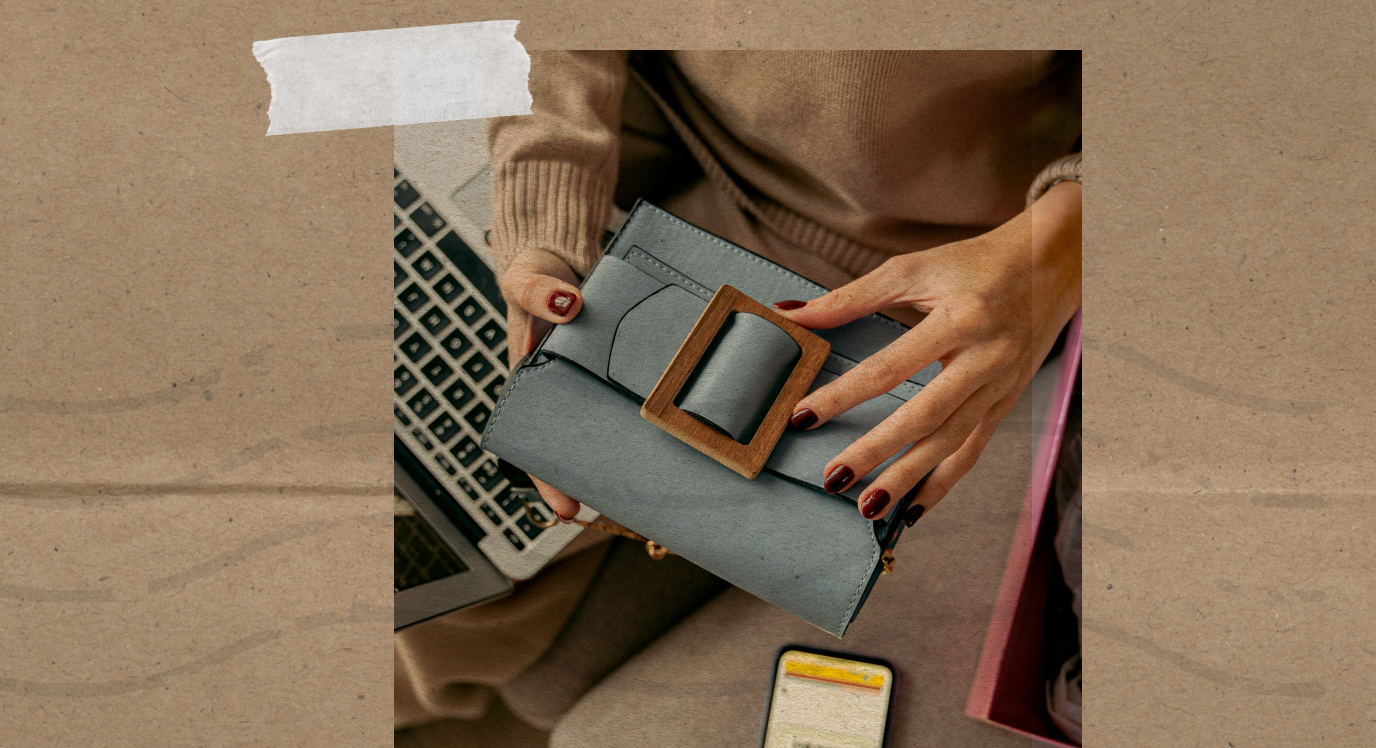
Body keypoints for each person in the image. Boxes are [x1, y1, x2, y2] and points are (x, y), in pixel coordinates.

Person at [396, 50, 1081, 737]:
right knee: (426, 547)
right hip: (626, 161)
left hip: (922, 275)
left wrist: (1058, 246)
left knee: (454, 576)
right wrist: (542, 218)